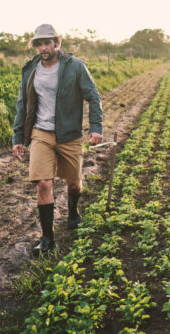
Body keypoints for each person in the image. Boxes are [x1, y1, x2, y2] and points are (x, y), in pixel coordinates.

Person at [12, 23, 103, 256]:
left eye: (47, 43)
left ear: (57, 43)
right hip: (41, 133)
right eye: (38, 44)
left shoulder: (75, 67)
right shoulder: (30, 70)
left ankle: (73, 211)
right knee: (43, 183)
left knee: (73, 183)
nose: (43, 48)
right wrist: (18, 137)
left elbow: (93, 96)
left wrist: (95, 128)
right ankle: (47, 239)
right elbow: (23, 104)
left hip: (69, 135)